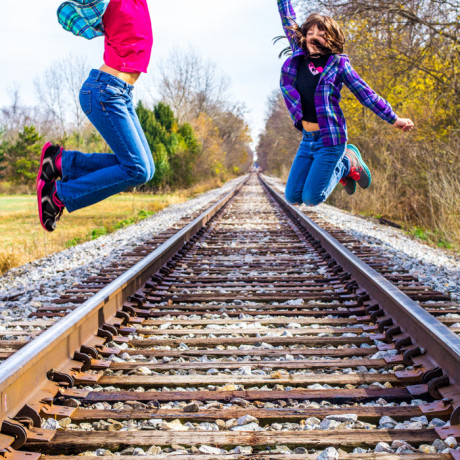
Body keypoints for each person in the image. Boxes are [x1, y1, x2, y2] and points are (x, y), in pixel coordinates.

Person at [276, 0, 414, 206]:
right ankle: (344, 164)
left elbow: (366, 94)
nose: (315, 37)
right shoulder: (298, 54)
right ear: (304, 35)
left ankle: (348, 161)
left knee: (312, 198)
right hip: (307, 139)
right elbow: (287, 18)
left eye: (322, 35)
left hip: (331, 140)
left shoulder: (339, 65)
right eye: (311, 32)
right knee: (293, 197)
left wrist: (394, 119)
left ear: (331, 40)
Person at [37, 0, 155, 232]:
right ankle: (57, 196)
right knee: (137, 169)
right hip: (105, 91)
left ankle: (60, 162)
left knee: (146, 169)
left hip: (121, 93)